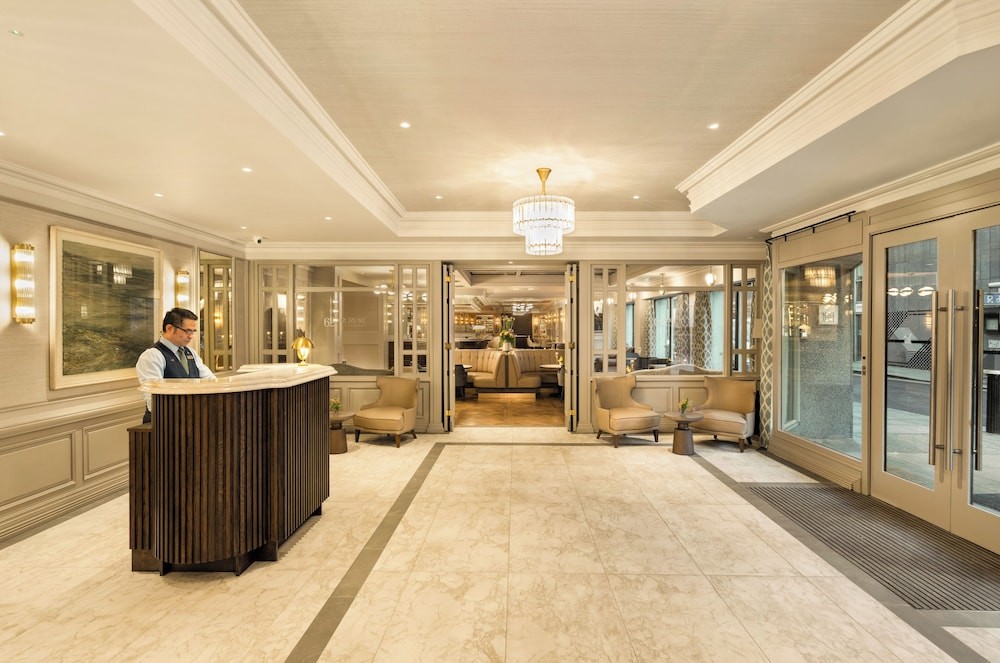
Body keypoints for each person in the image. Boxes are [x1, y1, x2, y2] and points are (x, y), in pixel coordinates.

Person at [136, 307, 215, 423]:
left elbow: (210, 380)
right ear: (169, 328)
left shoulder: (191, 353)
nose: (191, 336)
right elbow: (153, 397)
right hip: (163, 422)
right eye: (187, 331)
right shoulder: (152, 355)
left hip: (190, 419)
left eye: (193, 331)